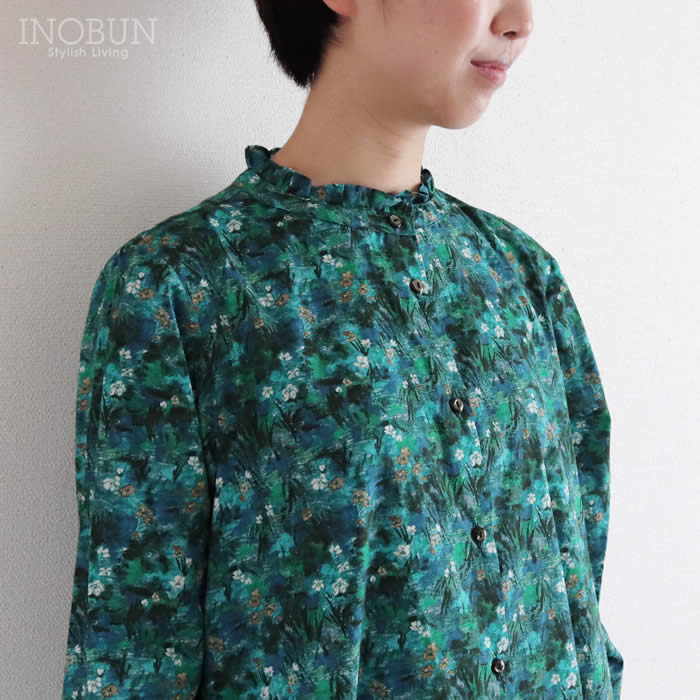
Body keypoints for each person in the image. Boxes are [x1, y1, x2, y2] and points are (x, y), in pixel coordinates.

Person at [61, 1, 624, 698]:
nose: (520, 20)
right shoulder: (183, 283)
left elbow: (580, 579)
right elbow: (132, 639)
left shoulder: (518, 272)